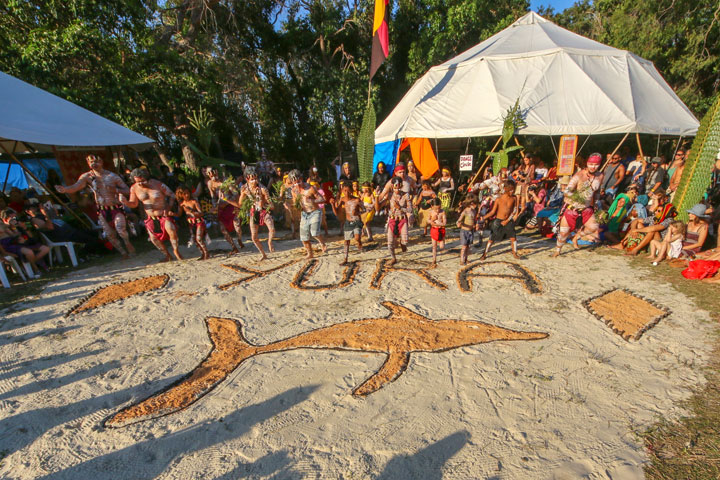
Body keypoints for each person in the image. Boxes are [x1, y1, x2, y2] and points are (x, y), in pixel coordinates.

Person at [56, 154, 135, 257]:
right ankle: (123, 253)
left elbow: (127, 190)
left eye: (96, 162)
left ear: (101, 162)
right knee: (110, 235)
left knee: (121, 230)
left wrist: (114, 190)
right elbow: (76, 186)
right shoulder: (87, 177)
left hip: (115, 207)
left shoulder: (112, 176)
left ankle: (127, 243)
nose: (94, 164)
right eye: (91, 162)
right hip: (102, 209)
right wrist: (65, 189)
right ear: (88, 164)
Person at [121, 168, 182, 262]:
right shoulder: (134, 188)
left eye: (142, 181)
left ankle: (176, 250)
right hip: (150, 217)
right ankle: (167, 255)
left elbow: (172, 195)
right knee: (153, 239)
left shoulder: (157, 184)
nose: (140, 184)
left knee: (171, 230)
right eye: (138, 182)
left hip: (163, 214)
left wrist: (168, 208)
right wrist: (125, 202)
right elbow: (134, 204)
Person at [552, 153, 605, 257]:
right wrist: (577, 197)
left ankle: (576, 237)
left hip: (587, 208)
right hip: (572, 207)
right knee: (563, 233)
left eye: (596, 164)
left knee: (594, 227)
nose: (593, 167)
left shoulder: (600, 176)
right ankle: (557, 251)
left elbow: (597, 191)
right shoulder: (579, 175)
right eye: (591, 164)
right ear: (587, 163)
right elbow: (566, 191)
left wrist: (596, 202)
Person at [229, 166, 276, 261]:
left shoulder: (263, 189)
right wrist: (226, 199)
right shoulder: (244, 189)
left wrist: (264, 204)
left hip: (264, 211)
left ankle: (270, 242)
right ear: (247, 179)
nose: (255, 181)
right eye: (252, 179)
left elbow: (271, 205)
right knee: (254, 237)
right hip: (254, 213)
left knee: (272, 229)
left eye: (256, 178)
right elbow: (240, 204)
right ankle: (263, 254)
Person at [0, 208, 51, 277]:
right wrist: (11, 227)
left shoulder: (19, 224)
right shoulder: (4, 226)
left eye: (15, 217)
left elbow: (31, 237)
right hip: (14, 245)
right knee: (29, 252)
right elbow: (12, 237)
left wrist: (24, 228)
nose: (14, 219)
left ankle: (30, 263)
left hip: (26, 243)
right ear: (5, 219)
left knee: (45, 249)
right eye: (11, 218)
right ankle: (35, 268)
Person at [289, 169, 327, 259]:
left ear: (301, 179)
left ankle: (322, 243)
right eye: (294, 182)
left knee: (314, 232)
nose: (296, 184)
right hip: (304, 214)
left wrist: (312, 200)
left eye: (298, 181)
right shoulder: (294, 191)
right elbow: (296, 204)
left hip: (315, 212)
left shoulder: (310, 188)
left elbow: (322, 199)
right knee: (303, 237)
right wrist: (290, 206)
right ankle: (310, 253)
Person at [207, 168, 245, 254]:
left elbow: (235, 194)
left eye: (214, 172)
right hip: (221, 209)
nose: (212, 175)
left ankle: (239, 239)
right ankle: (233, 247)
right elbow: (213, 197)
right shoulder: (210, 183)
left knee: (237, 226)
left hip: (231, 206)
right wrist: (215, 206)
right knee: (223, 229)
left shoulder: (226, 180)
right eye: (210, 173)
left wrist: (229, 202)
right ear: (208, 175)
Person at [481, 181, 521, 260]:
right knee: (491, 239)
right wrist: (483, 217)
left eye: (513, 189)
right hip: (498, 220)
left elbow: (515, 210)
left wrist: (508, 220)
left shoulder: (514, 198)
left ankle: (515, 253)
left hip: (508, 220)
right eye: (510, 190)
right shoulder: (498, 199)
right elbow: (492, 212)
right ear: (505, 189)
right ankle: (485, 253)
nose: (512, 191)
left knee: (513, 237)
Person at [376, 176, 411, 265]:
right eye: (395, 186)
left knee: (405, 241)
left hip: (402, 220)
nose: (397, 188)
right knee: (390, 243)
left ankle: (402, 243)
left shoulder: (405, 195)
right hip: (392, 220)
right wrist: (376, 196)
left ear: (401, 185)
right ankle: (393, 258)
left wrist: (400, 208)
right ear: (392, 186)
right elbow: (378, 207)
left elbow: (410, 210)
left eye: (399, 186)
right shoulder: (389, 196)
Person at [330, 181, 363, 265]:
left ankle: (359, 242)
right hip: (348, 222)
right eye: (345, 191)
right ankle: (345, 258)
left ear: (352, 191)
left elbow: (365, 209)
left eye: (348, 191)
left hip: (357, 221)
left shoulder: (357, 200)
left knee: (357, 238)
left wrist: (357, 213)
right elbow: (336, 213)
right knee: (346, 241)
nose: (346, 193)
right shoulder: (342, 199)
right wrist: (333, 205)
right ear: (342, 191)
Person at [175, 185, 209, 260]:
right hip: (191, 223)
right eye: (184, 194)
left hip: (199, 222)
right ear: (180, 195)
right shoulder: (181, 204)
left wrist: (192, 211)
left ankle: (206, 253)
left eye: (187, 193)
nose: (187, 195)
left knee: (199, 238)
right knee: (195, 240)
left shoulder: (194, 201)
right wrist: (171, 214)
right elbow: (179, 214)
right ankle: (202, 253)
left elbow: (201, 213)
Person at [456, 195, 478, 265]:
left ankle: (466, 258)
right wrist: (459, 223)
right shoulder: (465, 212)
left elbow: (474, 220)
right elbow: (459, 220)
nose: (476, 205)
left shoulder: (474, 211)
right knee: (464, 246)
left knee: (468, 246)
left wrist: (475, 224)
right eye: (476, 204)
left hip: (470, 231)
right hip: (464, 231)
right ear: (471, 203)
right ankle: (462, 260)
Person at [428, 198, 446, 267]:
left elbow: (444, 222)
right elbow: (428, 220)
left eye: (439, 208)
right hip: (434, 230)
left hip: (441, 230)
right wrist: (432, 220)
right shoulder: (431, 212)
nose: (437, 210)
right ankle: (434, 259)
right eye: (436, 209)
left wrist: (439, 223)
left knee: (442, 246)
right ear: (432, 207)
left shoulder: (442, 212)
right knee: (434, 246)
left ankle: (443, 242)